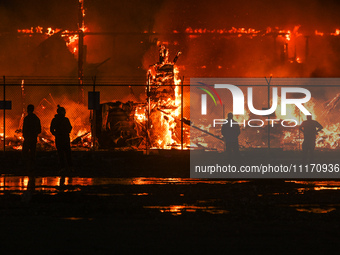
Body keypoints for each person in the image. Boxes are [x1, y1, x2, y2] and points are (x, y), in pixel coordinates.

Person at [50, 105, 73, 171]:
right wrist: (67, 132)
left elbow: (51, 129)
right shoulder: (65, 119)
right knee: (68, 153)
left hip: (59, 138)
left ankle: (62, 167)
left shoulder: (54, 120)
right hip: (65, 138)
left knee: (61, 154)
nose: (65, 113)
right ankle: (70, 167)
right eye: (64, 112)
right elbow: (70, 127)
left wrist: (56, 134)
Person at [22, 104, 41, 170]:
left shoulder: (26, 118)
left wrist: (24, 135)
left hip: (27, 138)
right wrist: (35, 133)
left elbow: (24, 128)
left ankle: (25, 165)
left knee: (25, 151)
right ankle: (32, 165)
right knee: (33, 152)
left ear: (28, 110)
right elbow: (39, 130)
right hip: (33, 137)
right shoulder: (36, 118)